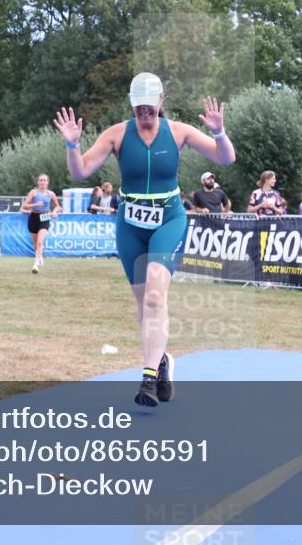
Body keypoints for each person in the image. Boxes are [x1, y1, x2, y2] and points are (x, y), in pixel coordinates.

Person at [53, 72, 235, 407]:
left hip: (168, 220)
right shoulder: (116, 134)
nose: (145, 113)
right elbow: (80, 172)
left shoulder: (178, 132)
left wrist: (219, 132)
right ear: (132, 104)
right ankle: (161, 360)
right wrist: (72, 144)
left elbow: (226, 157)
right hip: (130, 225)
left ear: (161, 101)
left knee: (154, 296)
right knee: (144, 304)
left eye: (150, 107)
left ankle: (149, 378)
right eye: (140, 107)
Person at [20, 173, 62, 274]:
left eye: (44, 180)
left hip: (45, 218)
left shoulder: (51, 194)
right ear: (38, 182)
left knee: (40, 242)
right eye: (41, 180)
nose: (42, 182)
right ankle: (40, 256)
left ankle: (35, 264)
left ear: (48, 182)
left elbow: (58, 206)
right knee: (36, 245)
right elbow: (24, 205)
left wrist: (54, 211)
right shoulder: (33, 192)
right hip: (33, 217)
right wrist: (35, 204)